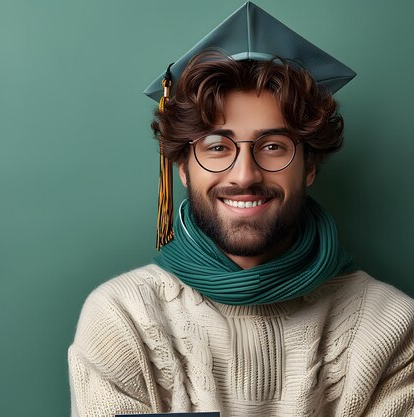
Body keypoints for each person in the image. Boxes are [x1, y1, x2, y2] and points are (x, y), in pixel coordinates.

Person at [68, 3, 414, 417]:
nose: (245, 175)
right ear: (182, 168)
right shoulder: (122, 320)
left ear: (309, 167)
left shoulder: (391, 326)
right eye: (217, 147)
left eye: (273, 146)